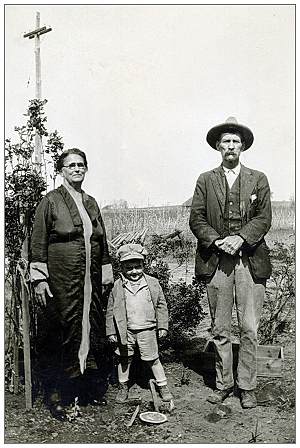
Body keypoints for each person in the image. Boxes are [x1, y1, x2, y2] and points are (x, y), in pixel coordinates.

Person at [189, 117, 272, 409]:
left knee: (249, 327)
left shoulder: (258, 179)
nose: (231, 146)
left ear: (243, 146)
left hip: (249, 261)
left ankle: (247, 386)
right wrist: (217, 240)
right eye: (226, 142)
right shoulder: (205, 180)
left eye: (235, 141)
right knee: (220, 328)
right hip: (217, 262)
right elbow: (196, 218)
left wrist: (241, 238)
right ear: (217, 146)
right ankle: (224, 384)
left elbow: (264, 218)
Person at [30, 148, 114, 420]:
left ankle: (83, 388)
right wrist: (40, 279)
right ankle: (57, 396)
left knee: (89, 329)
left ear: (86, 169)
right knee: (61, 332)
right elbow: (38, 241)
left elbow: (101, 240)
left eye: (81, 165)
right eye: (71, 165)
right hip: (61, 279)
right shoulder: (51, 201)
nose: (77, 169)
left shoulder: (91, 202)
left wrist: (106, 270)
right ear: (61, 171)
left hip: (88, 281)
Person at [106, 243, 173, 403]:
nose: (134, 271)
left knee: (153, 359)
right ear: (121, 268)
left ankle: (162, 385)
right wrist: (111, 331)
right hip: (126, 331)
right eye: (129, 268)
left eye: (138, 267)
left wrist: (163, 325)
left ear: (144, 265)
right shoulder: (117, 286)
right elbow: (110, 310)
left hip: (147, 330)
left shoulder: (152, 283)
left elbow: (161, 305)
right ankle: (123, 387)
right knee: (124, 359)